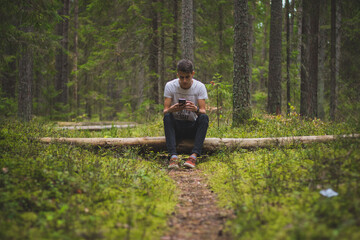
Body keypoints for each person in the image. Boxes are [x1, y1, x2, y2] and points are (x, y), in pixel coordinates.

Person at [163, 59, 209, 169]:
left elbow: (203, 111)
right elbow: (165, 111)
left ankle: (194, 156)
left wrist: (195, 109)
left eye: (187, 77)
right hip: (176, 127)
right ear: (177, 74)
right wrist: (172, 109)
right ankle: (173, 156)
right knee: (167, 116)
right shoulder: (170, 85)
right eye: (181, 77)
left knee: (204, 118)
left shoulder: (200, 87)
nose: (184, 80)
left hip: (191, 126)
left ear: (192, 74)